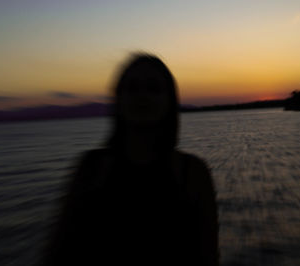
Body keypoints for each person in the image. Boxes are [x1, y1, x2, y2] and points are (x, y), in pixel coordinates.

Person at [44, 53, 219, 266]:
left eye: (153, 88)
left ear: (170, 101)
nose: (142, 96)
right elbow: (58, 251)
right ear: (119, 99)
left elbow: (208, 256)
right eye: (132, 88)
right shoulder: (91, 169)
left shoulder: (192, 173)